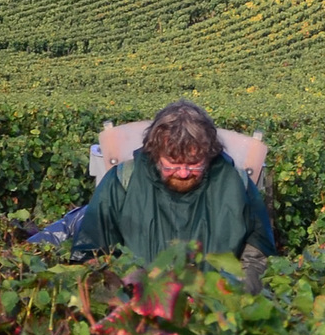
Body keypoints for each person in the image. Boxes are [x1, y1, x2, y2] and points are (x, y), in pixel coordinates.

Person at [72, 100, 276, 269]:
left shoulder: (235, 184)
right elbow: (93, 252)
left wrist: (231, 294)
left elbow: (257, 255)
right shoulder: (123, 181)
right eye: (173, 164)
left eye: (194, 164)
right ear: (154, 153)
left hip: (215, 310)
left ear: (209, 154)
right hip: (141, 310)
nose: (184, 173)